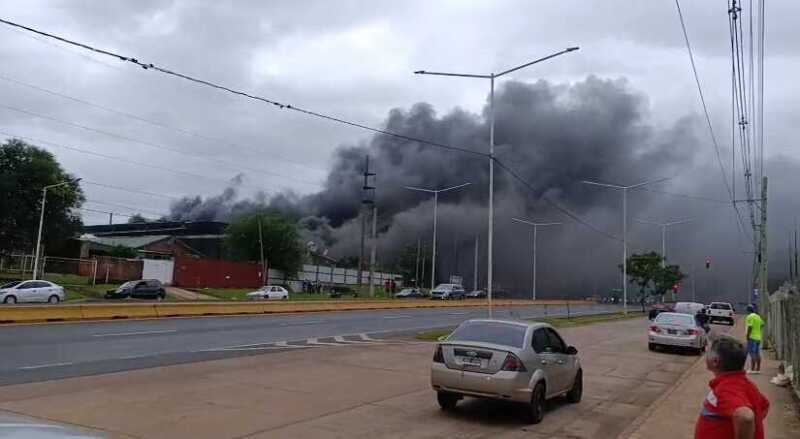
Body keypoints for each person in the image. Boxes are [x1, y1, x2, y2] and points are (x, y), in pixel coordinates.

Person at [695, 336, 769, 439]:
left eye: (708, 351)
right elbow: (764, 406)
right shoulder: (746, 385)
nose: (705, 354)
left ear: (715, 361)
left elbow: (745, 417)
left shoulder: (727, 389)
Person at [745, 304, 764, 374]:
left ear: (748, 310)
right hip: (758, 337)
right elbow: (762, 324)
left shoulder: (750, 316)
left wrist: (747, 335)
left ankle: (752, 369)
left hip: (752, 337)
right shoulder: (758, 316)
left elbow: (750, 327)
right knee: (757, 353)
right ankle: (758, 369)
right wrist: (757, 330)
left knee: (752, 353)